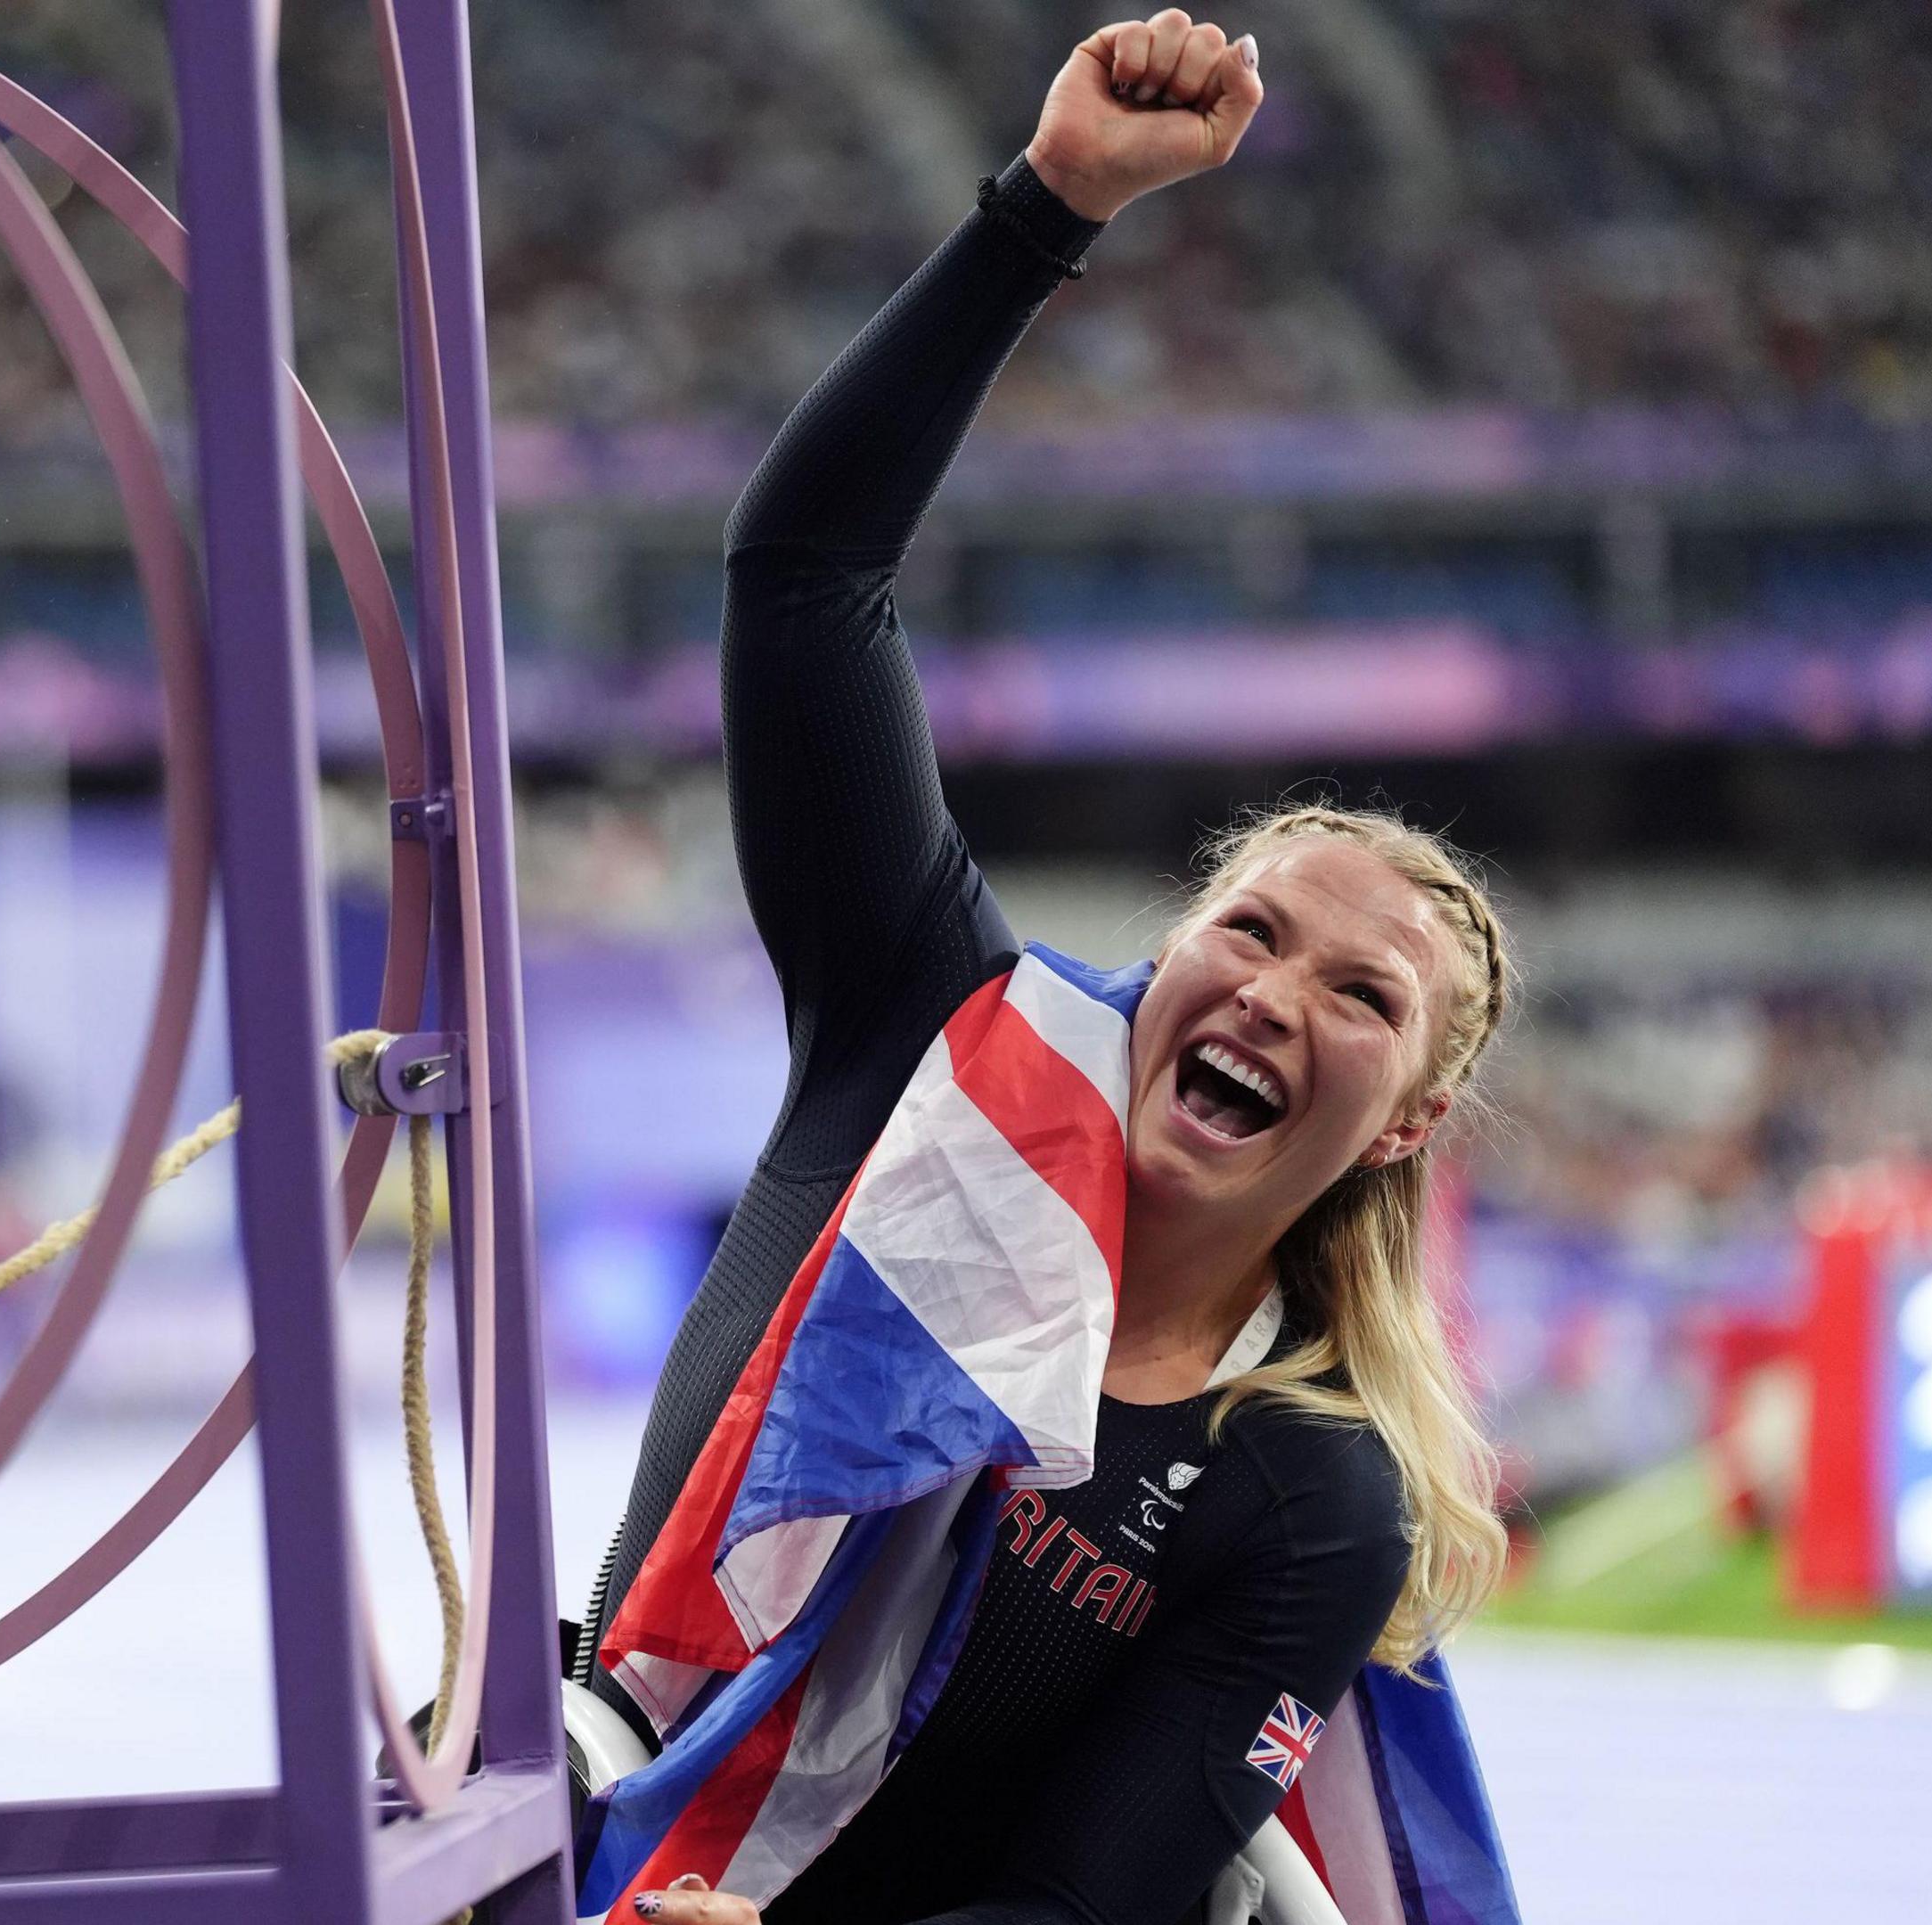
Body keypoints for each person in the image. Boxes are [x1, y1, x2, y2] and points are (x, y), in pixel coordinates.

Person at [580, 15, 1517, 1924]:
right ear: (1163, 963)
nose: (1276, 992)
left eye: (1362, 997)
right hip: (561, 1821)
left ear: (1413, 1116)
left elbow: (1103, 1904)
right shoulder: (940, 1046)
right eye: (1252, 930)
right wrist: (1048, 207)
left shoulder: (1310, 1495)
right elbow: (805, 575)